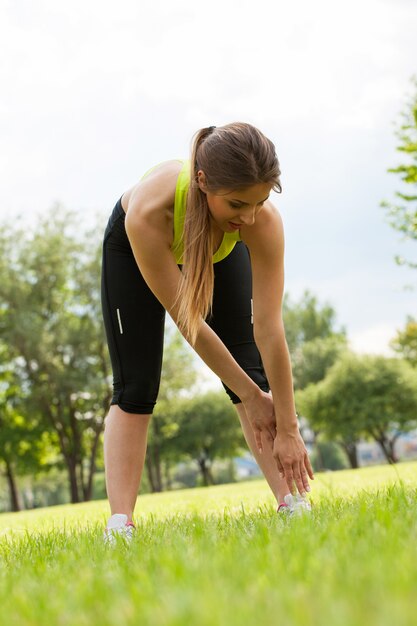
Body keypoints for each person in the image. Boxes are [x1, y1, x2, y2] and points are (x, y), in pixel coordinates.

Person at [101, 122, 314, 544]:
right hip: (135, 251)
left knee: (249, 372)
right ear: (202, 182)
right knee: (136, 384)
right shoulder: (148, 212)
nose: (249, 216)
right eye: (238, 203)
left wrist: (288, 426)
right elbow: (191, 325)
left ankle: (293, 504)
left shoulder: (259, 223)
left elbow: (270, 330)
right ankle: (119, 526)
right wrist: (255, 401)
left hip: (217, 248)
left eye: (260, 202)